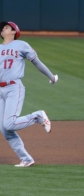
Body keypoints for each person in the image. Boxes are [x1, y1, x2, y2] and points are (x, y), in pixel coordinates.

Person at [0, 21, 58, 167]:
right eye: (2, 28)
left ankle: (38, 116)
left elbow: (37, 62)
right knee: (5, 130)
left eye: (7, 27)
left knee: (9, 123)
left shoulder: (22, 45)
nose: (3, 29)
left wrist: (51, 77)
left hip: (14, 87)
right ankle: (26, 159)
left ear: (14, 32)